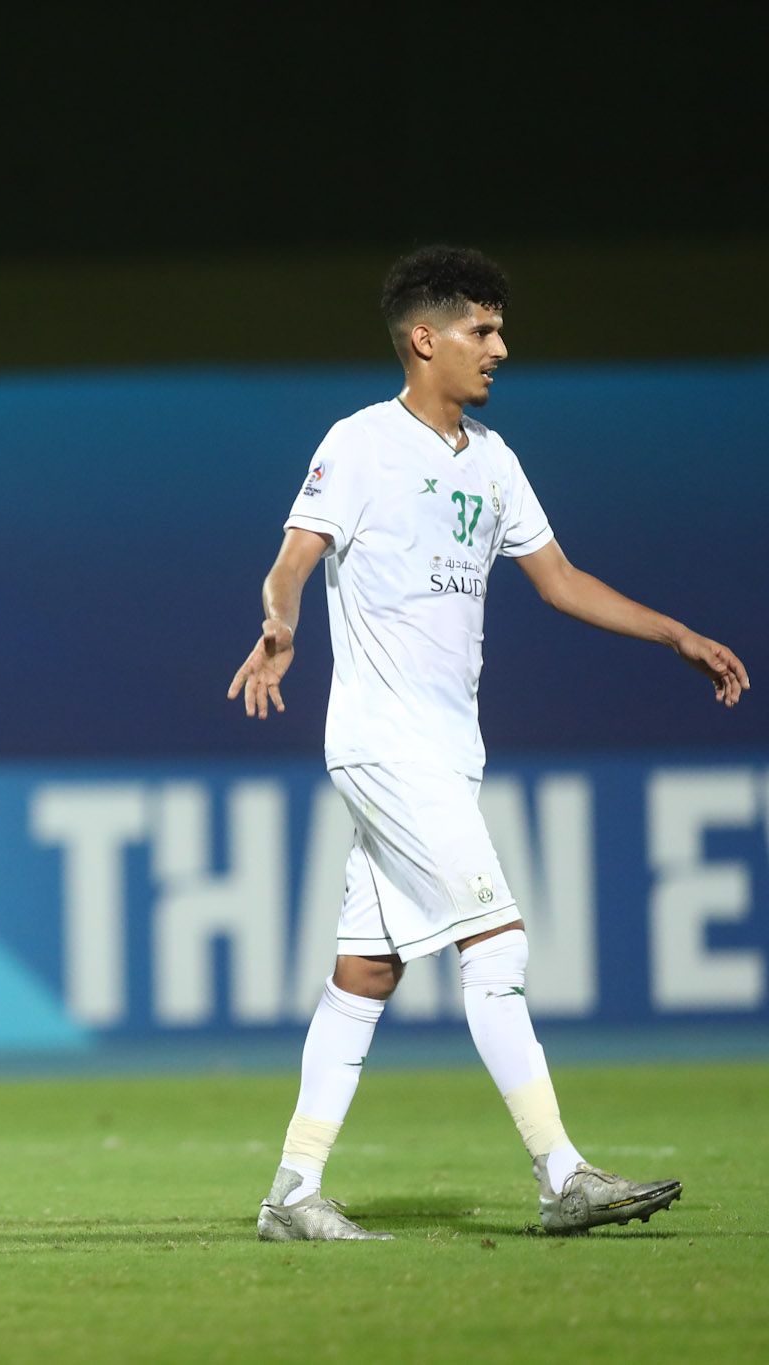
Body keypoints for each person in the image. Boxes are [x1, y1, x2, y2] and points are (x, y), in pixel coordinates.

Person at [227, 245, 749, 1241]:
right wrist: (280, 623)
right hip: (384, 744)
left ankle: (290, 1193)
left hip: (444, 748)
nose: (498, 348)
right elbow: (292, 557)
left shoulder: (494, 460)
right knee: (494, 937)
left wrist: (671, 632)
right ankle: (562, 1175)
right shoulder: (361, 444)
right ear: (423, 339)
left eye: (498, 329)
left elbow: (558, 580)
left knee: (366, 972)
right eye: (480, 329)